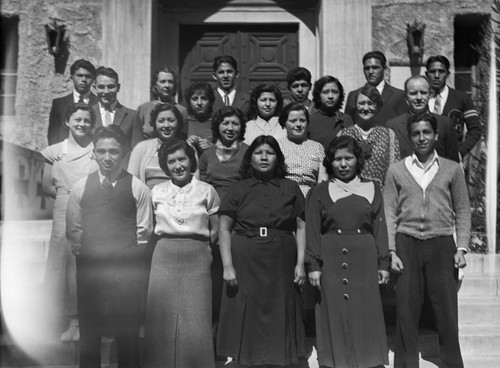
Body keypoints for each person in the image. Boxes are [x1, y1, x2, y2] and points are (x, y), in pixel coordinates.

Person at [384, 112, 471, 368]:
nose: (421, 138)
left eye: (426, 133)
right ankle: (406, 364)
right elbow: (389, 211)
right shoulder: (396, 170)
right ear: (410, 137)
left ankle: (453, 363)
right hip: (406, 243)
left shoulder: (452, 169)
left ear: (435, 135)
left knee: (446, 312)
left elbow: (463, 209)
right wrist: (391, 250)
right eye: (416, 133)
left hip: (442, 244)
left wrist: (462, 247)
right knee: (406, 312)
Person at [66, 125, 153, 368]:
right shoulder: (80, 187)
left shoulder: (137, 187)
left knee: (127, 327)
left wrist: (130, 258)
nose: (107, 158)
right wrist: (84, 251)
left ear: (124, 152)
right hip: (91, 268)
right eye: (101, 151)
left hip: (125, 269)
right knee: (90, 326)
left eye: (113, 152)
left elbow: (144, 231)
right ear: (93, 152)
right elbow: (74, 227)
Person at [217, 135, 307, 366]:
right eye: (259, 153)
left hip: (281, 256)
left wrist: (299, 263)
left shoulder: (290, 187)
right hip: (246, 254)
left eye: (270, 152)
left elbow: (300, 226)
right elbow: (224, 228)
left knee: (280, 307)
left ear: (278, 158)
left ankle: (279, 359)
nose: (264, 157)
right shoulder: (238, 188)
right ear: (250, 158)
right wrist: (227, 266)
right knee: (248, 308)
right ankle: (247, 360)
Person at [306, 135, 390, 368]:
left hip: (364, 260)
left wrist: (383, 262)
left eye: (348, 158)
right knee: (333, 314)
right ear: (329, 162)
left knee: (365, 314)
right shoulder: (320, 191)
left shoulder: (372, 187)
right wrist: (313, 265)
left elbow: (380, 228)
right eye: (337, 159)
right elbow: (313, 230)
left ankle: (367, 362)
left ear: (358, 160)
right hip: (330, 262)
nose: (343, 164)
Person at [143, 140, 219, 368]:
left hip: (197, 255)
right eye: (171, 161)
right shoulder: (156, 192)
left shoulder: (207, 191)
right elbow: (148, 226)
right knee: (161, 317)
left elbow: (215, 230)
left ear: (191, 161)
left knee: (196, 318)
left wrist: (201, 249)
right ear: (165, 166)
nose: (177, 165)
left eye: (182, 159)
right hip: (163, 254)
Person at [42, 103, 99, 341]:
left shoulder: (98, 150)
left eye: (87, 120)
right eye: (77, 119)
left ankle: (81, 322)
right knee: (60, 263)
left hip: (91, 210)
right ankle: (59, 320)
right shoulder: (55, 151)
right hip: (63, 208)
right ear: (67, 121)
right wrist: (70, 198)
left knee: (84, 265)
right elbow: (46, 186)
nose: (82, 124)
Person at [277, 101, 328, 336]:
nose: (298, 124)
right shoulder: (276, 145)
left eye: (302, 120)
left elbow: (323, 181)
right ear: (284, 123)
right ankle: (287, 317)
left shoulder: (317, 147)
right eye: (293, 120)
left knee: (308, 258)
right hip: (284, 205)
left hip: (310, 204)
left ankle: (309, 316)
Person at [338, 85, 400, 189]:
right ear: (355, 106)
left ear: (378, 106)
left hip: (380, 197)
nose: (366, 108)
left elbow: (395, 172)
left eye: (370, 103)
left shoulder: (389, 135)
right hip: (349, 196)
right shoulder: (343, 135)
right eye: (361, 103)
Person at [386, 75, 460, 162]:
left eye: (423, 93)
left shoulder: (445, 124)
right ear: (405, 96)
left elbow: (453, 163)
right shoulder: (393, 126)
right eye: (413, 93)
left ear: (430, 94)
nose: (419, 98)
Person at [425, 55, 482, 159]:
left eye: (441, 71)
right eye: (432, 71)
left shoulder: (462, 98)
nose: (437, 75)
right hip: (424, 159)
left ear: (448, 74)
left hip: (452, 159)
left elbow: (475, 129)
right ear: (426, 74)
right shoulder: (420, 100)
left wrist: (460, 152)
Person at [128, 103, 185, 189]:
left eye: (171, 120)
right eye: (161, 121)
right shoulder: (141, 148)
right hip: (148, 200)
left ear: (178, 123)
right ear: (154, 123)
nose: (166, 125)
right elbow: (132, 182)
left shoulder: (188, 149)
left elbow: (194, 185)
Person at [199, 106, 248, 200]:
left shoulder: (248, 152)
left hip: (239, 203)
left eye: (235, 124)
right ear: (217, 126)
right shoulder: (207, 154)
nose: (230, 128)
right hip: (212, 204)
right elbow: (202, 186)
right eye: (225, 123)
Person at [344, 51, 407, 124]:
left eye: (375, 67)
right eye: (367, 68)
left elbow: (403, 126)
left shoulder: (398, 95)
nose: (370, 72)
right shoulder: (354, 95)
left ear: (385, 69)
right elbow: (348, 125)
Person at [133, 66, 188, 146]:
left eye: (170, 82)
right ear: (155, 85)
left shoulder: (182, 110)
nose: (167, 85)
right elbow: (136, 139)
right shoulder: (143, 109)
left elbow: (183, 138)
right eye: (163, 82)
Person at [48, 59, 98, 145]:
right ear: (72, 77)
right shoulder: (59, 104)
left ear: (93, 79)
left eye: (88, 76)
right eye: (79, 75)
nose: (83, 80)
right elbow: (53, 136)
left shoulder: (99, 103)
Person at [92, 66, 137, 148]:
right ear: (95, 88)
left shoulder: (132, 116)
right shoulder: (88, 114)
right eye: (101, 87)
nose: (106, 91)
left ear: (118, 87)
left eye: (111, 87)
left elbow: (137, 151)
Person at [308, 75, 354, 149]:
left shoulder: (346, 119)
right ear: (318, 96)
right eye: (325, 92)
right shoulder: (310, 121)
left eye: (335, 92)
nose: (330, 96)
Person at [184, 81, 216, 155]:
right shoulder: (184, 121)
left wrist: (212, 147)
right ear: (189, 102)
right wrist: (185, 145)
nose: (199, 103)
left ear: (210, 101)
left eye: (204, 98)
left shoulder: (217, 122)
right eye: (195, 99)